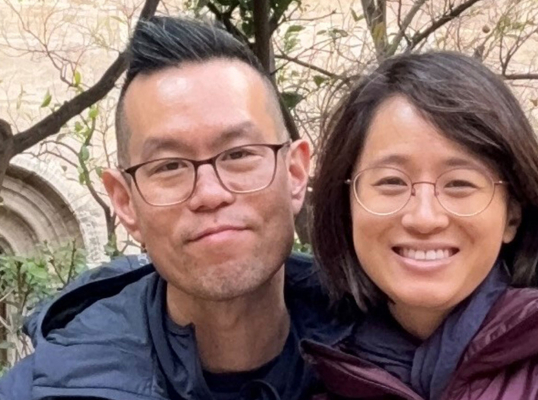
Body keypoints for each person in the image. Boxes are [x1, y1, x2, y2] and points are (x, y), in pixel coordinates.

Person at [0, 16, 347, 400]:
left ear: (295, 174)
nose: (210, 194)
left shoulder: (386, 366)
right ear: (125, 202)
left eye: (239, 154)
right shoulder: (39, 391)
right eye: (169, 166)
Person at [305, 51, 538, 400]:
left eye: (460, 184)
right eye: (391, 182)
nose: (424, 218)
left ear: (512, 215)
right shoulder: (310, 370)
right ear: (347, 206)